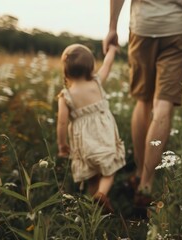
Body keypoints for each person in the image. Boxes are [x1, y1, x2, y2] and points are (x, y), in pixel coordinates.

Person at [102, 0, 182, 203]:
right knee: (163, 105)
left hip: (142, 27)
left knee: (142, 102)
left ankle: (139, 174)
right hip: (177, 30)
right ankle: (145, 184)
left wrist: (112, 27)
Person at [57, 43, 126, 213]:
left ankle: (95, 209)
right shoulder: (96, 82)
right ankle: (102, 194)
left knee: (91, 175)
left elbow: (62, 122)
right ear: (90, 66)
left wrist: (62, 144)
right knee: (109, 170)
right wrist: (111, 50)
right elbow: (108, 64)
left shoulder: (65, 96)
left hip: (83, 143)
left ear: (66, 69)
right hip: (104, 137)